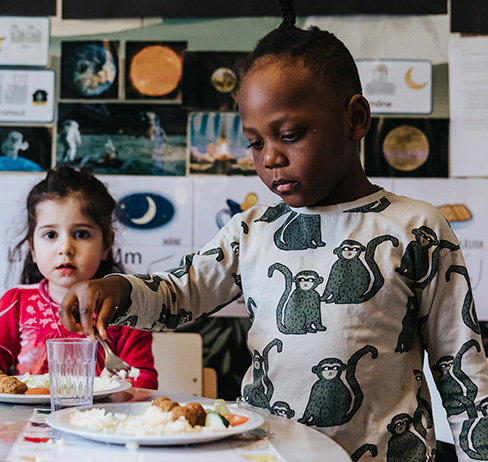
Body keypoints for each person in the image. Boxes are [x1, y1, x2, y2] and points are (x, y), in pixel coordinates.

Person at [58, 1, 488, 460]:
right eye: (256, 142)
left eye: (290, 134)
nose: (270, 158)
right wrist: (116, 289)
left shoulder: (415, 228)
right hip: (269, 454)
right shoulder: (253, 230)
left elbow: (459, 366)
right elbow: (177, 293)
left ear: (355, 119)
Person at [0, 166, 158, 390]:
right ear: (33, 249)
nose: (65, 248)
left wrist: (122, 384)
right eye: (50, 235)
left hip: (96, 421)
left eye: (81, 234)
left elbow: (145, 380)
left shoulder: (127, 308)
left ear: (106, 244)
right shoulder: (16, 303)